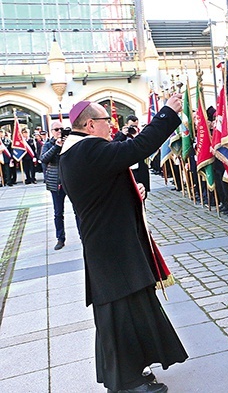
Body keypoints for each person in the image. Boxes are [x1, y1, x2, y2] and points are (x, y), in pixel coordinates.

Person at [59, 97, 188, 393]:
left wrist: (133, 190)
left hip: (109, 244)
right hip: (112, 248)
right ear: (90, 125)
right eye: (106, 121)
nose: (111, 126)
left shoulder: (77, 151)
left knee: (129, 312)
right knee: (119, 317)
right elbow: (137, 148)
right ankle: (127, 383)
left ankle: (133, 372)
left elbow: (104, 188)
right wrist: (168, 113)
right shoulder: (89, 148)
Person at [40, 121, 70, 250]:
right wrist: (56, 146)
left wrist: (68, 143)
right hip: (56, 183)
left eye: (61, 129)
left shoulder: (69, 142)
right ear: (52, 132)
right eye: (56, 129)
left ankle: (83, 236)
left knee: (78, 211)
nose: (59, 131)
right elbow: (44, 159)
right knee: (58, 212)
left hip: (70, 180)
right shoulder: (48, 144)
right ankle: (60, 238)